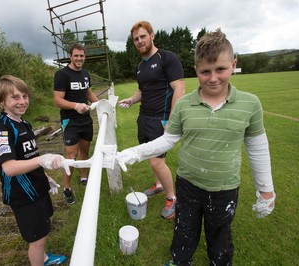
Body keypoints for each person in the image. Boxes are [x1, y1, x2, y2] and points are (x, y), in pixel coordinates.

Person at [117, 29, 276, 265]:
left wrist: (266, 189)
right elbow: (168, 139)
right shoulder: (184, 105)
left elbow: (257, 146)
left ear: (233, 64)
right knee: (184, 229)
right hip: (188, 185)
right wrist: (135, 152)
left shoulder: (250, 104)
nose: (213, 78)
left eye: (220, 69)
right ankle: (180, 260)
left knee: (220, 236)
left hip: (224, 189)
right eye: (205, 71)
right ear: (196, 71)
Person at [0, 75, 71, 266]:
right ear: (2, 102)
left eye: (24, 96)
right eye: (15, 97)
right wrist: (43, 160)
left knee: (43, 228)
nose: (22, 101)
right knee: (37, 239)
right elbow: (9, 168)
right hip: (22, 193)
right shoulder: (2, 129)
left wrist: (44, 175)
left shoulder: (24, 123)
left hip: (37, 185)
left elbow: (28, 156)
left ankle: (44, 258)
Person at [118, 21, 185, 219]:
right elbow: (141, 90)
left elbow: (179, 90)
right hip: (144, 118)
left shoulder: (167, 58)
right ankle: (158, 185)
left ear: (152, 35)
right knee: (149, 156)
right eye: (136, 39)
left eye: (142, 37)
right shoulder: (140, 66)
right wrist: (131, 100)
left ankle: (172, 198)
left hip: (161, 120)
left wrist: (172, 121)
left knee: (157, 162)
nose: (139, 41)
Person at [54, 43, 99, 204]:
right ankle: (67, 188)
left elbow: (89, 93)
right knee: (71, 155)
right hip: (70, 121)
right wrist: (75, 106)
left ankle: (84, 177)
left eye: (82, 56)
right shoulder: (62, 74)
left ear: (84, 57)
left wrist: (101, 104)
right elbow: (57, 100)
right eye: (76, 56)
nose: (79, 59)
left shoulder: (85, 74)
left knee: (85, 151)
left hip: (86, 120)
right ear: (71, 56)